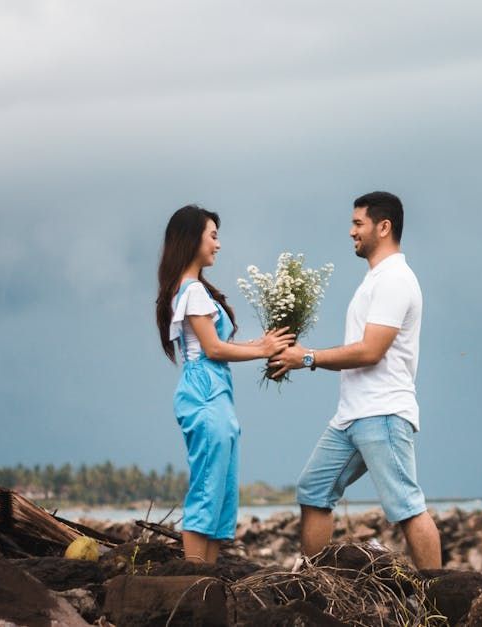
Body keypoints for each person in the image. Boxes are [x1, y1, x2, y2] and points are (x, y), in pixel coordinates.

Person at [270, 191, 442, 569]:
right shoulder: (375, 279)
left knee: (407, 507)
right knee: (313, 490)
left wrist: (308, 357)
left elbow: (370, 351)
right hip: (351, 416)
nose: (351, 232)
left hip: (382, 413)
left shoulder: (396, 279)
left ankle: (438, 603)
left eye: (358, 223)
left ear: (384, 227)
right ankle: (315, 584)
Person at [155, 204, 294, 563]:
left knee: (221, 493)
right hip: (204, 393)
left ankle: (208, 580)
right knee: (207, 490)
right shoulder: (193, 292)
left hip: (214, 393)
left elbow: (214, 347)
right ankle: (194, 579)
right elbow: (214, 348)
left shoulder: (191, 290)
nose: (218, 245)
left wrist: (264, 346)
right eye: (213, 236)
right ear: (192, 240)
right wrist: (262, 348)